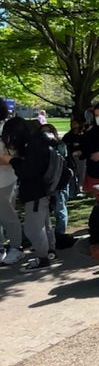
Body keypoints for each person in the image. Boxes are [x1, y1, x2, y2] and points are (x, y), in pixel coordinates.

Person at [0, 117, 55, 271]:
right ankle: (50, 252)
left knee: (32, 228)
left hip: (36, 191)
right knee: (43, 223)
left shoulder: (34, 145)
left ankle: (43, 258)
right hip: (42, 190)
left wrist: (11, 160)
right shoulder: (37, 141)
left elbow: (26, 170)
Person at [0, 106, 24, 266]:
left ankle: (16, 247)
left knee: (8, 216)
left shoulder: (7, 129)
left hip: (5, 180)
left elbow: (13, 157)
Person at [61, 117, 87, 196]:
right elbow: (64, 144)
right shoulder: (68, 135)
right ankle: (73, 190)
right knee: (73, 173)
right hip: (71, 156)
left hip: (81, 157)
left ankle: (80, 188)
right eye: (72, 123)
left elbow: (87, 145)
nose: (73, 125)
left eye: (75, 123)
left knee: (81, 172)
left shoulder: (83, 135)